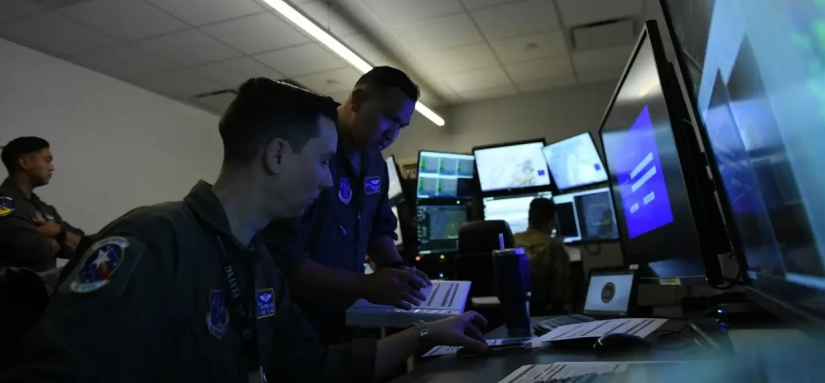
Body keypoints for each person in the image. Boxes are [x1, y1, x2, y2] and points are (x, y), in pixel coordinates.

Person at [2, 78, 487, 382]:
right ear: (277, 156)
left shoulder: (259, 266)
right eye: (322, 161)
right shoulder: (152, 241)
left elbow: (314, 367)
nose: (327, 179)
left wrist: (427, 335)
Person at [263, 67, 430, 343]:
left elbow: (378, 229)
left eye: (401, 126)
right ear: (357, 100)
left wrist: (398, 268)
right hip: (294, 323)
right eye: (389, 119)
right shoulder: (307, 143)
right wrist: (366, 284)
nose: (392, 134)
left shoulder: (375, 163)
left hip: (345, 318)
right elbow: (282, 259)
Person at [0, 137, 84, 273]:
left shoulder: (45, 208)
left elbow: (83, 247)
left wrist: (58, 232)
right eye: (47, 160)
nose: (52, 167)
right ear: (25, 162)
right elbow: (29, 247)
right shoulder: (3, 203)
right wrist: (60, 241)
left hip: (45, 286)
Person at [513, 197, 572, 313]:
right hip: (543, 311)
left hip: (515, 309)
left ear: (529, 219)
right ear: (552, 222)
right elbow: (560, 294)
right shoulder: (554, 246)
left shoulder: (513, 240)